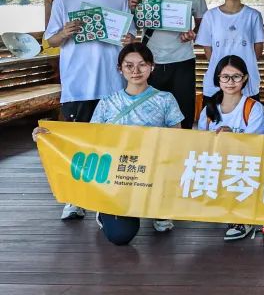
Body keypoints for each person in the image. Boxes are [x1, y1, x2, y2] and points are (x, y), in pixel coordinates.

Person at [34, 43, 184, 245]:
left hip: (154, 175)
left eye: (142, 64)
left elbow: (178, 141)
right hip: (119, 178)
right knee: (120, 236)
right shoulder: (107, 102)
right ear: (119, 69)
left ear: (152, 67)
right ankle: (104, 210)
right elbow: (89, 139)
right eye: (129, 65)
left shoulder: (166, 100)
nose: (136, 71)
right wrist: (50, 136)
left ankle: (159, 209)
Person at [44, 0, 135, 221]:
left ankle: (107, 198)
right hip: (78, 85)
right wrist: (64, 32)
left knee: (111, 143)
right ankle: (75, 199)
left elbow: (130, 36)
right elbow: (50, 41)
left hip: (113, 84)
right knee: (78, 143)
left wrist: (129, 39)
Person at [131, 0, 208, 128]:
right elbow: (135, 25)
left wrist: (193, 34)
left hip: (183, 60)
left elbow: (203, 25)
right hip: (150, 61)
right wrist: (132, 9)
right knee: (148, 115)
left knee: (183, 114)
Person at [196, 56, 264, 242]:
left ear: (245, 78)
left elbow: (256, 147)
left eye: (236, 77)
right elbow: (200, 145)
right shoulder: (209, 110)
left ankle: (242, 219)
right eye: (225, 77)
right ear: (218, 79)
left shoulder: (253, 108)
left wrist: (233, 138)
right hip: (216, 166)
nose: (230, 82)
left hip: (243, 168)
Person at [195, 0, 264, 101]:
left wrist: (244, 68)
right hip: (219, 77)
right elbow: (208, 49)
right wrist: (223, 69)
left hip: (246, 76)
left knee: (247, 112)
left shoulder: (253, 15)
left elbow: (258, 47)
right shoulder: (210, 16)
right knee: (215, 112)